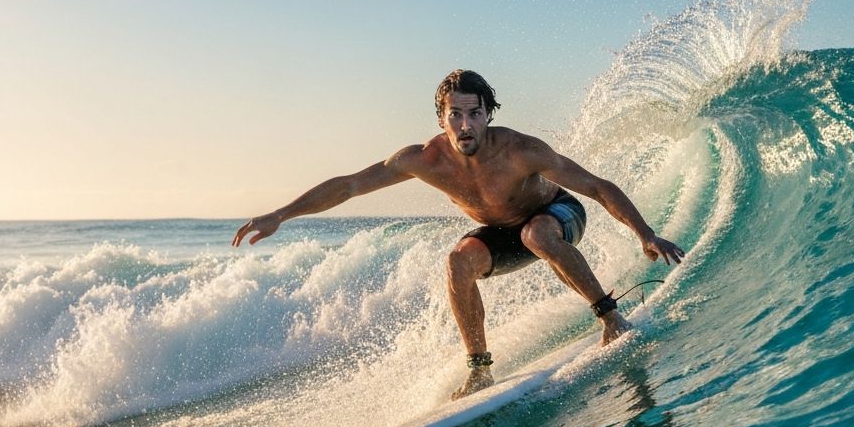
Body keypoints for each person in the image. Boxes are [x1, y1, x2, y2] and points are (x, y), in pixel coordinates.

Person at [233, 70, 685, 398]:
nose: (465, 124)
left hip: (557, 213)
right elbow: (349, 185)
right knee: (457, 262)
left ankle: (611, 319)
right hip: (501, 231)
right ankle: (480, 369)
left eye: (474, 113)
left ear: (488, 114)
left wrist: (644, 233)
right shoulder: (423, 160)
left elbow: (597, 187)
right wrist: (281, 214)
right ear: (440, 118)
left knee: (537, 236)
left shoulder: (521, 151)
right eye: (455, 115)